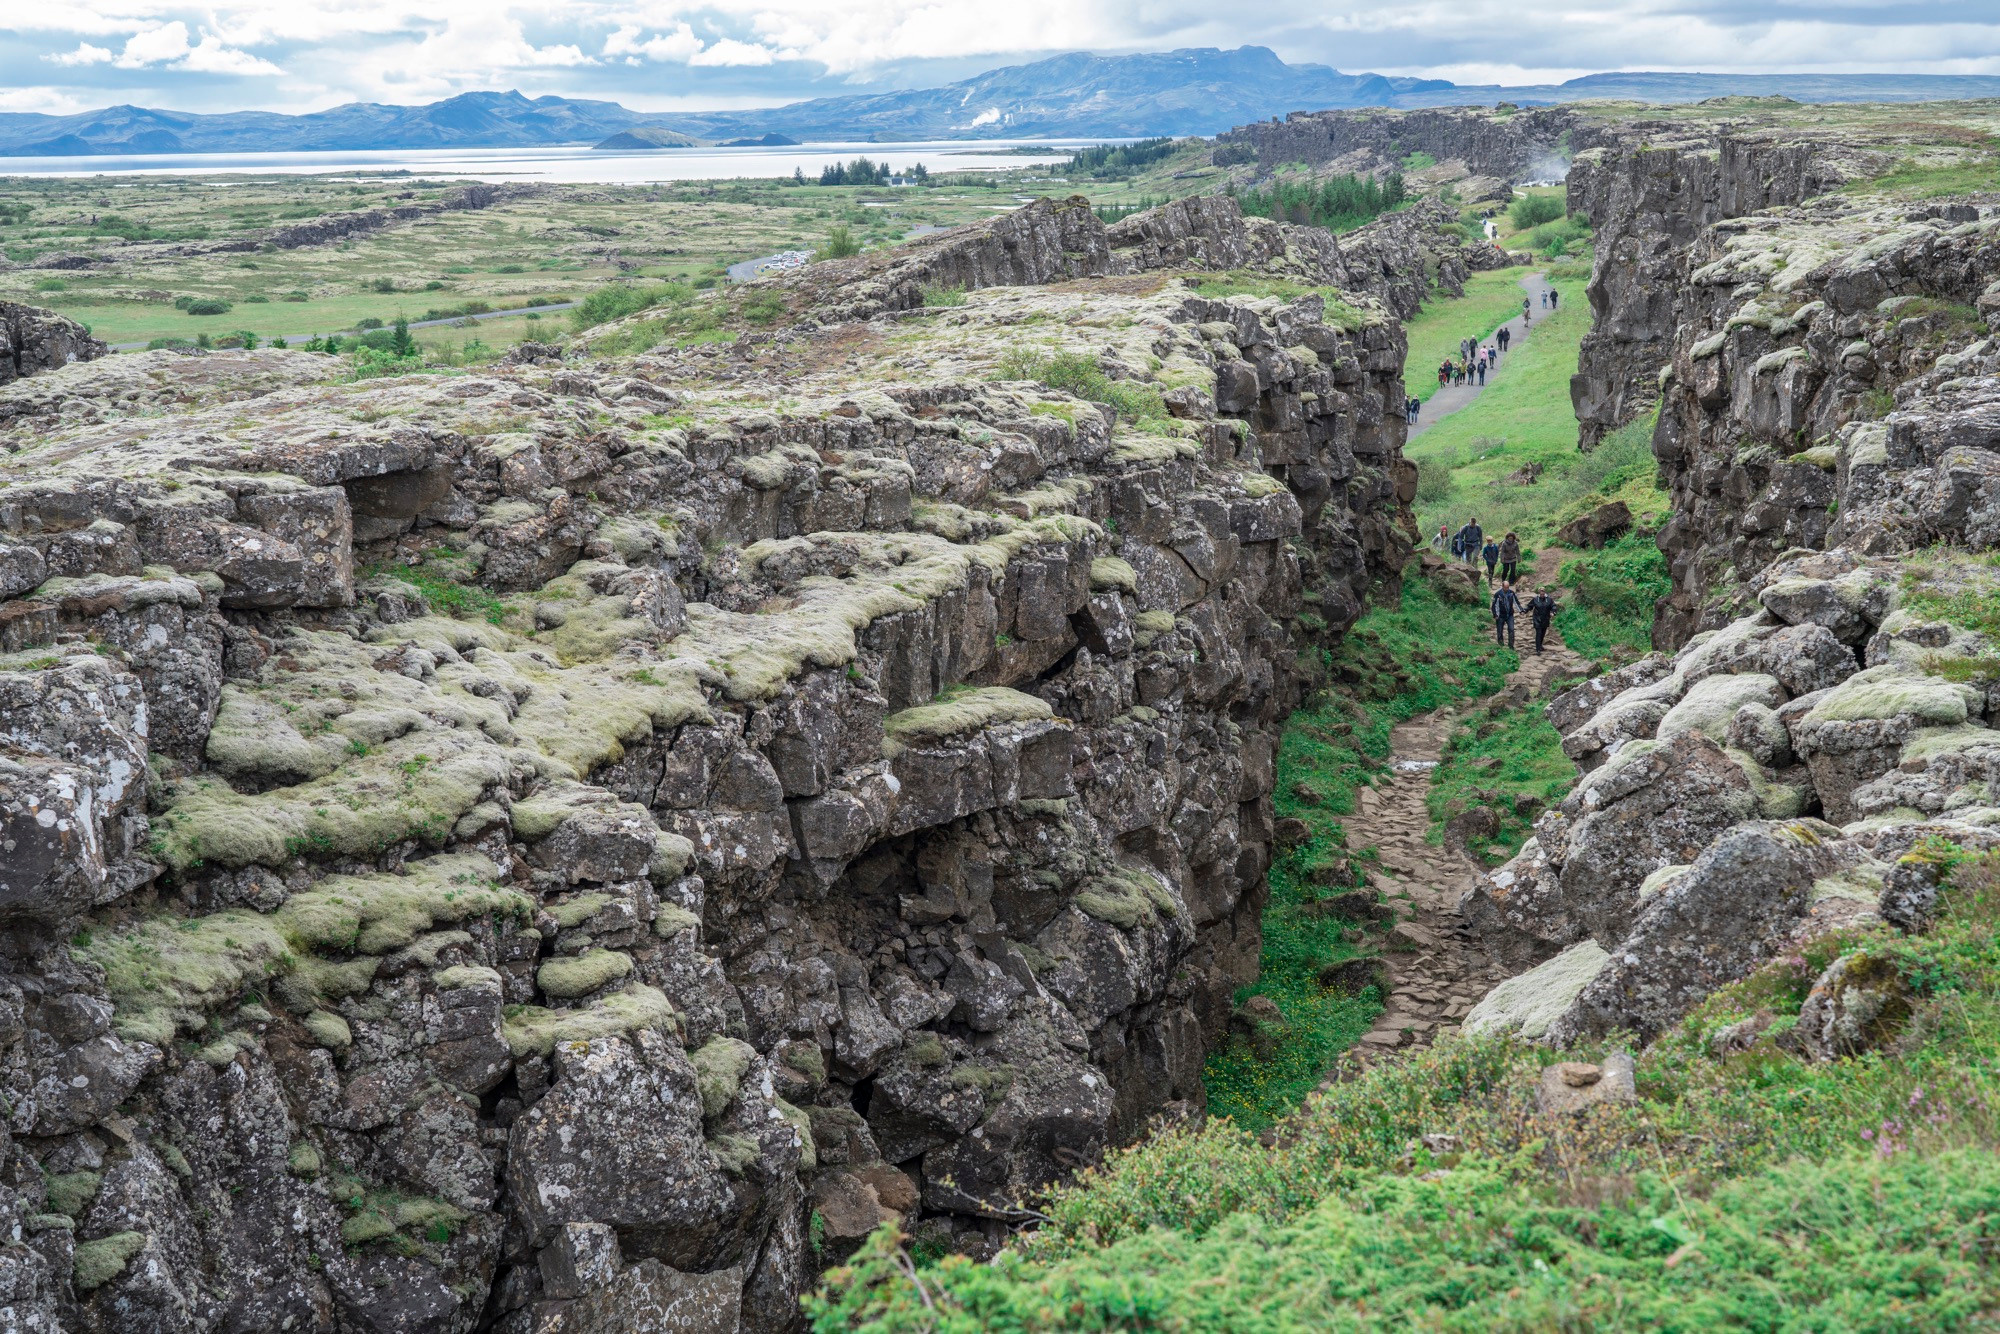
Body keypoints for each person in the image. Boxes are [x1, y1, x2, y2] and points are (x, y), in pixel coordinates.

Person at [1527, 587, 1557, 654]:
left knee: (1543, 633)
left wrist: (1553, 612)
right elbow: (1530, 606)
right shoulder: (1535, 599)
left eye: (1543, 592)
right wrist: (1525, 610)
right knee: (1538, 633)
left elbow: (1553, 606)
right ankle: (1538, 649)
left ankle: (1540, 645)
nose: (1542, 594)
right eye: (1541, 592)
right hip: (1537, 619)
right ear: (1539, 593)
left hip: (1545, 619)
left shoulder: (1549, 600)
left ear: (1545, 592)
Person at [1491, 581, 1520, 648]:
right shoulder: (1498, 594)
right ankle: (1501, 645)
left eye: (1508, 587)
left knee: (1511, 629)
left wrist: (1520, 610)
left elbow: (1516, 602)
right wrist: (1495, 614)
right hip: (1500, 615)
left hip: (1509, 614)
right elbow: (1494, 605)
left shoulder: (1511, 593)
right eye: (1505, 587)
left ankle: (1511, 645)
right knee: (1500, 630)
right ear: (1502, 586)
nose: (1507, 589)